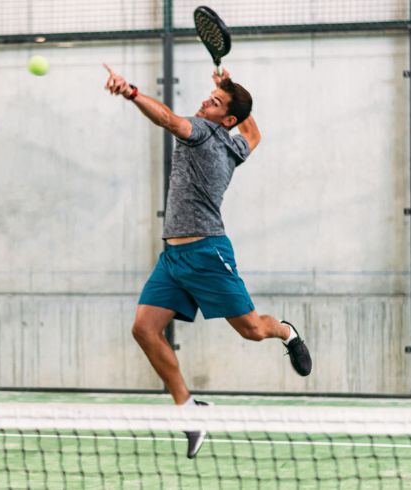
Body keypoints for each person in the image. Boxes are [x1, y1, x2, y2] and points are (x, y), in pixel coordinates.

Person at [103, 64, 312, 458]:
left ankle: (286, 332)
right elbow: (253, 131)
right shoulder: (236, 145)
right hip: (174, 257)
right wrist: (226, 88)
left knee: (251, 330)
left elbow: (166, 118)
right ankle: (189, 410)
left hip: (208, 253)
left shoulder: (201, 133)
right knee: (145, 329)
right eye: (209, 97)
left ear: (226, 119)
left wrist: (130, 92)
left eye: (214, 102)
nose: (205, 101)